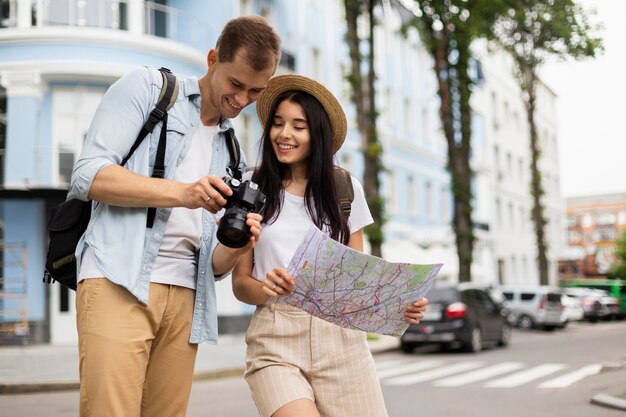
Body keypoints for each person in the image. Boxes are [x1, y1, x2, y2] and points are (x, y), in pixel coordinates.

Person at [67, 16, 281, 417]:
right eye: (236, 84)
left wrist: (238, 247)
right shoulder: (149, 88)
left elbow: (213, 265)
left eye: (256, 91)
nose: (242, 99)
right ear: (213, 59)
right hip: (118, 277)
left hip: (186, 295)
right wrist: (183, 193)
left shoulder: (233, 149)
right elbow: (87, 174)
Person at [231, 74, 429, 417]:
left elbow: (360, 281)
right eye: (278, 124)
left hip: (341, 342)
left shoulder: (344, 189)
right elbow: (240, 284)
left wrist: (400, 306)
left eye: (299, 126)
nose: (284, 134)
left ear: (317, 134)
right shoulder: (253, 186)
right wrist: (266, 288)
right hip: (276, 337)